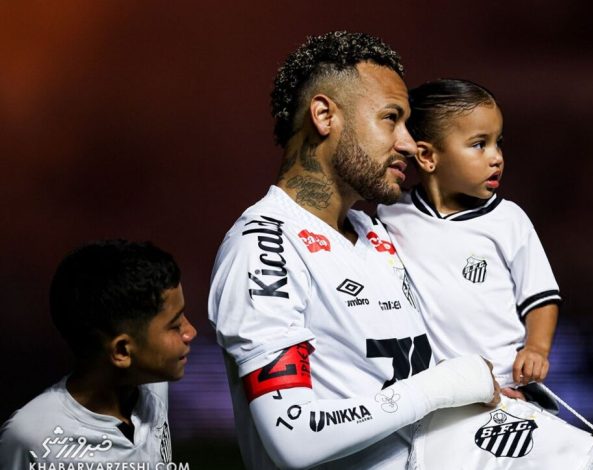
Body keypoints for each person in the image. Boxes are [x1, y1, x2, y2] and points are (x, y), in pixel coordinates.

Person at [208, 32, 499, 470]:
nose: (409, 143)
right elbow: (295, 436)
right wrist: (446, 385)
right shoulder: (263, 246)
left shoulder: (375, 232)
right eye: (391, 118)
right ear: (325, 115)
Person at [377, 79, 561, 399]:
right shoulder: (390, 215)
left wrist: (536, 348)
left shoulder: (509, 220)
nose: (496, 157)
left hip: (506, 385)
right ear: (427, 156)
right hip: (437, 392)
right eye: (479, 144)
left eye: (498, 143)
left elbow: (541, 298)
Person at [0, 239, 197, 468]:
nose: (191, 332)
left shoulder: (152, 384)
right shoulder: (30, 437)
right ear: (122, 351)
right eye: (175, 325)